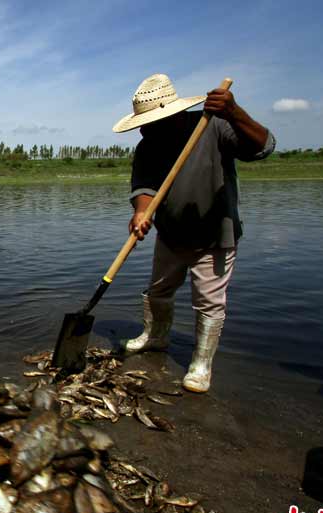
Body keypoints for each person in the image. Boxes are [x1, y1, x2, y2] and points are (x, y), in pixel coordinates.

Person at [113, 73, 275, 393]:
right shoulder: (149, 145)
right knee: (158, 291)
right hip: (170, 233)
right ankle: (156, 336)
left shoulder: (213, 125)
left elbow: (263, 146)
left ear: (172, 114)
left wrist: (235, 113)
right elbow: (144, 186)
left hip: (215, 235)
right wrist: (141, 211)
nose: (144, 128)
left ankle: (201, 364)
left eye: (150, 121)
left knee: (209, 302)